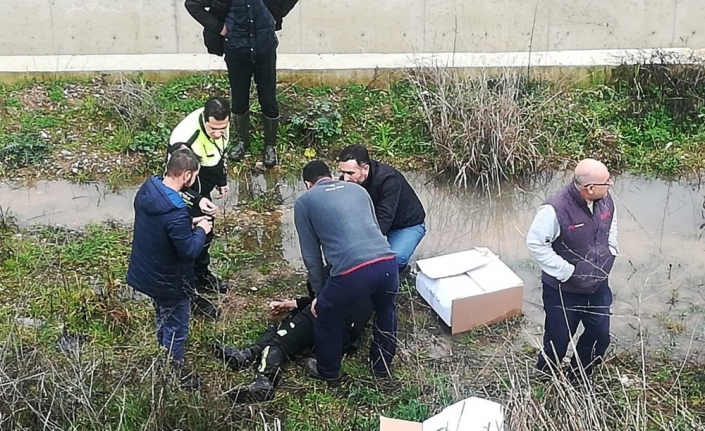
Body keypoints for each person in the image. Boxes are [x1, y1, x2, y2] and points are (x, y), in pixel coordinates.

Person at [294, 160, 399, 384]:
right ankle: (381, 367)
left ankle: (327, 371)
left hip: (352, 271)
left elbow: (311, 256)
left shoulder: (304, 202)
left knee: (326, 313)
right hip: (388, 261)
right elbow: (374, 227)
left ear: (307, 184)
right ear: (331, 175)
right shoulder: (357, 190)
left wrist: (319, 295)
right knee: (386, 309)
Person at [126, 148, 213, 389]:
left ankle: (161, 354)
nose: (194, 181)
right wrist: (201, 230)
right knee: (177, 327)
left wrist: (191, 221)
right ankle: (172, 374)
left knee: (162, 316)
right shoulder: (175, 210)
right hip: (170, 280)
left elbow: (164, 228)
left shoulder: (149, 189)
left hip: (147, 272)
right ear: (186, 175)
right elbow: (189, 250)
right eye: (194, 176)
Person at [526, 158, 619, 382]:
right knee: (558, 340)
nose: (611, 184)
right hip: (562, 291)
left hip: (598, 287)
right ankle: (544, 378)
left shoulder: (605, 200)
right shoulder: (554, 209)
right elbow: (536, 243)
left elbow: (611, 225)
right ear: (590, 188)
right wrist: (567, 271)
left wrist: (612, 249)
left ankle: (578, 377)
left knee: (599, 337)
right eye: (607, 182)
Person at [212, 278, 374, 403]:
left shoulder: (337, 265)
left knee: (281, 339)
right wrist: (293, 304)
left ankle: (265, 379)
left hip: (331, 318)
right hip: (345, 334)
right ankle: (250, 353)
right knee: (285, 323)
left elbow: (321, 294)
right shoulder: (370, 271)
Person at [184, 0, 300, 168]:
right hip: (236, 51)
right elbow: (192, 4)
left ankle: (270, 146)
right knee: (239, 100)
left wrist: (275, 15)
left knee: (268, 100)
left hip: (265, 49)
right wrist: (219, 28)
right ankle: (241, 141)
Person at [168, 96, 230, 295]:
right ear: (205, 120)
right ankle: (186, 284)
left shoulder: (221, 124)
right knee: (188, 234)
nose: (219, 134)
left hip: (203, 180)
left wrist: (221, 181)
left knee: (206, 231)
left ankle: (201, 275)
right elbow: (174, 184)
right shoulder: (184, 142)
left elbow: (218, 153)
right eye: (214, 130)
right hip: (184, 189)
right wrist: (197, 199)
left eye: (223, 128)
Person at [337, 145, 426, 280]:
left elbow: (385, 217)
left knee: (393, 260)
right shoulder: (346, 180)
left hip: (406, 225)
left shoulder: (388, 180)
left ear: (365, 169)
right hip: (374, 222)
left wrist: (366, 249)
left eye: (350, 173)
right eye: (343, 172)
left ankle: (398, 273)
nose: (345, 178)